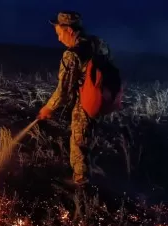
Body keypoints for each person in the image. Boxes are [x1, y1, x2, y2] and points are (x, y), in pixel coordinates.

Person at [37, 11, 112, 186]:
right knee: (89, 136)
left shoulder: (72, 55)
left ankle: (81, 182)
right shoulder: (98, 43)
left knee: (78, 141)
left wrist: (48, 108)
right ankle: (91, 170)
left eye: (59, 34)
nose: (58, 39)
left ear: (69, 30)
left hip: (87, 101)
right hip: (103, 98)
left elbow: (63, 90)